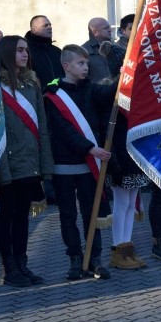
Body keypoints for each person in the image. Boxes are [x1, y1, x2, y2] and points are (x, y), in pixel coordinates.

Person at [43, 44, 115, 280]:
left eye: (86, 63)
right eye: (81, 63)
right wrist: (90, 148)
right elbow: (63, 130)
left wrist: (124, 75)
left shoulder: (90, 89)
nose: (86, 67)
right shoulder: (52, 95)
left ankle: (94, 259)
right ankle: (75, 258)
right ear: (67, 66)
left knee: (91, 213)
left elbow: (110, 94)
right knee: (67, 215)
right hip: (65, 163)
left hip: (88, 165)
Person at [0, 36, 54, 287]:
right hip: (8, 164)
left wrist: (45, 167)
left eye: (26, 50)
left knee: (22, 217)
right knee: (6, 216)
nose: (25, 54)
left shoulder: (32, 85)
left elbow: (41, 128)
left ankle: (21, 263)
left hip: (29, 163)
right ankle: (9, 268)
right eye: (19, 50)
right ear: (8, 53)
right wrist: (3, 172)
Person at [106, 112, 150, 269]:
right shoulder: (115, 106)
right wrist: (115, 164)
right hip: (120, 161)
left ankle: (127, 247)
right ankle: (118, 248)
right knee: (122, 203)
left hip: (134, 158)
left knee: (131, 204)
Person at [25, 15, 63, 90]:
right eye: (45, 25)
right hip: (38, 96)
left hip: (59, 96)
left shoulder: (57, 51)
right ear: (34, 29)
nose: (50, 27)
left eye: (50, 25)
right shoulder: (26, 51)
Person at [81, 17, 114, 84]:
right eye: (106, 28)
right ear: (95, 32)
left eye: (109, 27)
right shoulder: (83, 51)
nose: (110, 30)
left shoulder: (116, 48)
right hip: (96, 93)